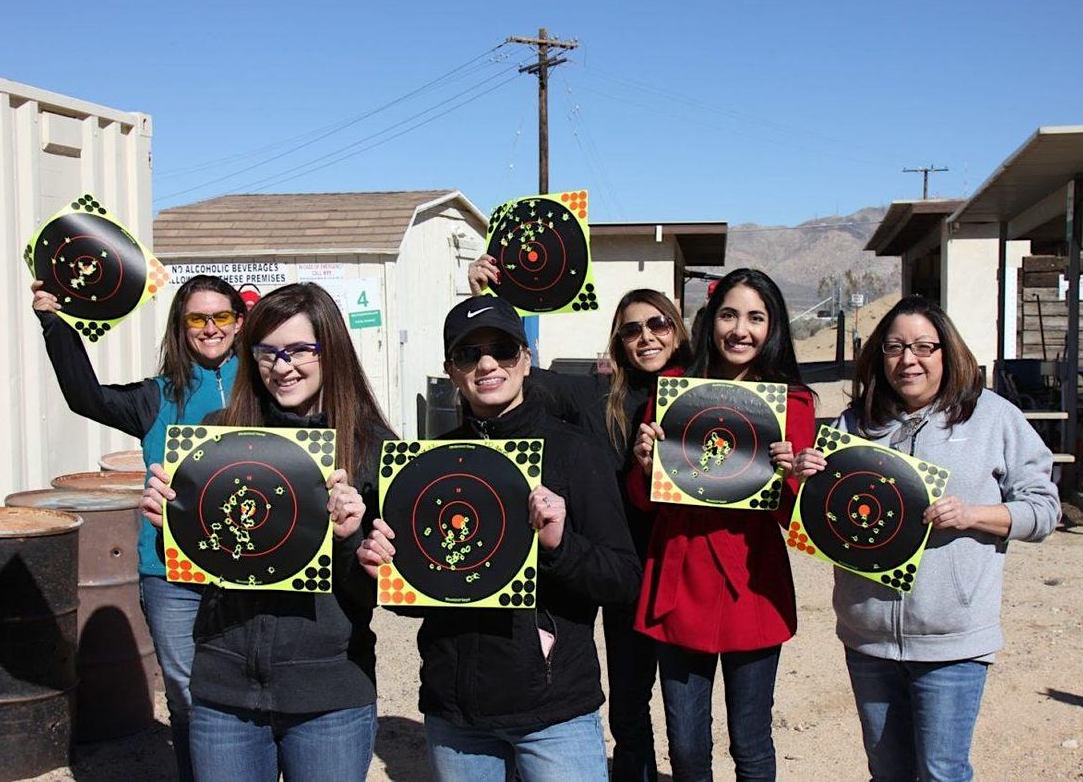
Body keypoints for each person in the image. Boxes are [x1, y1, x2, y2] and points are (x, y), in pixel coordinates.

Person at [357, 295, 642, 782]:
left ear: (526, 360)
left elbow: (623, 579)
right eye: (469, 354)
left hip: (554, 715)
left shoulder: (576, 451)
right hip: (457, 715)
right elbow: (414, 599)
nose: (487, 364)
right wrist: (385, 566)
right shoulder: (426, 463)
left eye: (503, 350)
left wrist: (560, 546)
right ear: (451, 370)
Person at [793, 295, 1059, 782]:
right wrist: (809, 478)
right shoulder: (855, 423)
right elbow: (829, 522)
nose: (908, 360)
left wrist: (972, 515)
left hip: (952, 642)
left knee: (941, 772)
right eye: (894, 347)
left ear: (946, 351)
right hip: (868, 638)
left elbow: (1044, 510)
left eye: (922, 347)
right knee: (887, 772)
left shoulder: (993, 418)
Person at [141, 283, 393, 781]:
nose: (282, 366)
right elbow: (200, 569)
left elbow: (376, 594)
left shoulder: (370, 447)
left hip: (329, 696)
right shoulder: (217, 435)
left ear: (331, 351)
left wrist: (349, 540)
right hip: (225, 691)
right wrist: (172, 523)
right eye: (267, 351)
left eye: (299, 349)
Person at [470, 255, 691, 780]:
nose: (646, 337)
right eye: (631, 329)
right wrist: (488, 302)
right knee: (629, 705)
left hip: (687, 570)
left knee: (687, 716)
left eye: (658, 324)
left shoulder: (707, 394)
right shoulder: (597, 398)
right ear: (618, 342)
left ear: (677, 331)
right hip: (625, 573)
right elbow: (519, 373)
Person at [32, 274, 246, 781]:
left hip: (253, 566)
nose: (210, 328)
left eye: (221, 316)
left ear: (239, 323)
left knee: (249, 689)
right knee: (188, 693)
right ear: (180, 326)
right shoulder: (156, 396)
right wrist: (54, 324)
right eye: (197, 319)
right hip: (171, 570)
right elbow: (85, 396)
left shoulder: (264, 385)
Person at [629, 268, 815, 782]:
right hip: (680, 574)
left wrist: (792, 477)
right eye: (729, 315)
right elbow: (644, 502)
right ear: (711, 321)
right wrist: (644, 466)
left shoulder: (794, 403)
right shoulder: (672, 390)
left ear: (773, 327)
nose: (741, 330)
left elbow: (794, 518)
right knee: (686, 747)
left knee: (751, 742)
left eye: (756, 318)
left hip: (751, 581)